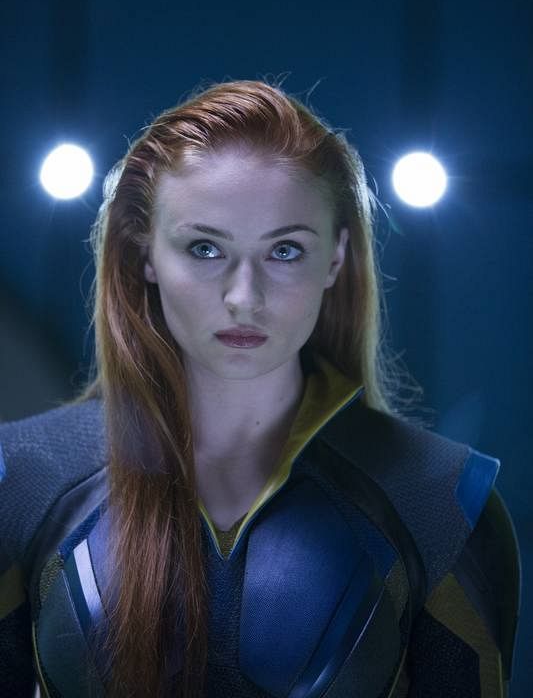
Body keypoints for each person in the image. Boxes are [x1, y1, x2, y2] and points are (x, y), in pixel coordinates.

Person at [0, 78, 521, 698]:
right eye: (204, 248)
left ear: (336, 257)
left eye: (285, 251)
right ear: (144, 254)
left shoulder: (441, 502)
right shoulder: (22, 484)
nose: (244, 297)